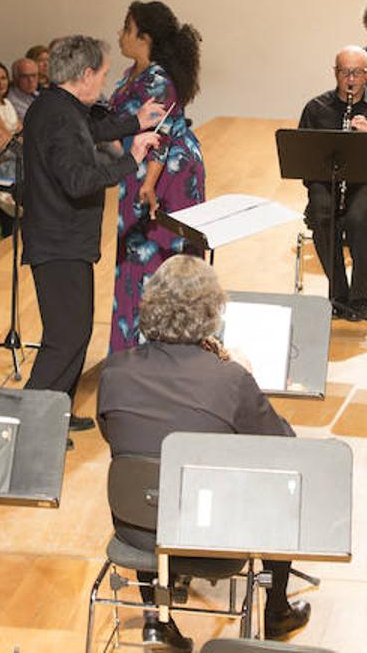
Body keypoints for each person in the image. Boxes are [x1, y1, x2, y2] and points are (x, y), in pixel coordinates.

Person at [97, 255, 312, 650]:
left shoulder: (114, 370)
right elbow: (285, 448)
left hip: (137, 532)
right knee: (281, 488)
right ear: (212, 313)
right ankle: (276, 609)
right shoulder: (229, 379)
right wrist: (245, 377)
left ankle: (157, 620)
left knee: (149, 481)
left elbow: (113, 434)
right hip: (212, 533)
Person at [22, 35, 162, 427]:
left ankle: (56, 415)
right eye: (101, 74)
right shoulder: (60, 118)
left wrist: (135, 122)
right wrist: (132, 158)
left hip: (61, 236)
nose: (103, 82)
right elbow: (79, 181)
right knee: (65, 337)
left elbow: (91, 129)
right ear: (85, 75)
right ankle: (30, 424)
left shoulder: (58, 105)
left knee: (75, 331)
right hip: (58, 239)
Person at [109, 1, 205, 353]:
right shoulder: (132, 73)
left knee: (159, 257)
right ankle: (132, 349)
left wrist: (149, 184)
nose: (120, 34)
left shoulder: (159, 79)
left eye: (126, 28)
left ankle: (166, 351)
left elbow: (161, 134)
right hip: (139, 170)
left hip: (165, 175)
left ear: (144, 37)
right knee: (134, 258)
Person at [298, 45, 367, 320]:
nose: (351, 79)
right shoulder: (316, 108)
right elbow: (302, 160)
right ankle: (338, 293)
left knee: (359, 219)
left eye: (357, 72)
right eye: (344, 72)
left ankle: (358, 299)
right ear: (335, 73)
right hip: (328, 181)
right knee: (321, 214)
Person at [8, 55, 40, 121]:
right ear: (15, 78)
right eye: (25, 76)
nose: (31, 80)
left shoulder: (39, 95)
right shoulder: (11, 101)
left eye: (34, 75)